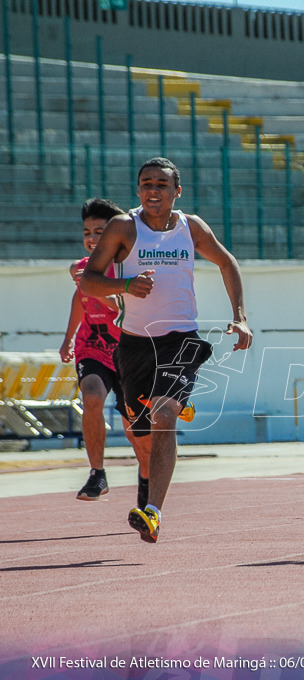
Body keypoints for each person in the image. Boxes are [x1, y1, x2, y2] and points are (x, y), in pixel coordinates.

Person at [81, 157, 253, 543]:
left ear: (177, 191)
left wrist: (239, 316)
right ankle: (169, 417)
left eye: (161, 184)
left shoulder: (191, 228)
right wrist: (125, 287)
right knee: (140, 431)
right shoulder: (124, 227)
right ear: (138, 190)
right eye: (146, 184)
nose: (153, 190)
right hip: (135, 345)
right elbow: (90, 282)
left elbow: (227, 263)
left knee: (164, 413)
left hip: (180, 340)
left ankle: (153, 511)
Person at [59, 198, 151, 507]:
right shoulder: (81, 269)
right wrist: (69, 338)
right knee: (92, 394)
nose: (91, 238)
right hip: (93, 349)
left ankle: (148, 483)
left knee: (135, 430)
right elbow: (78, 299)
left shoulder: (128, 266)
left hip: (128, 352)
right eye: (87, 232)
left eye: (100, 232)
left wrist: (103, 287)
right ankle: (97, 473)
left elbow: (121, 306)